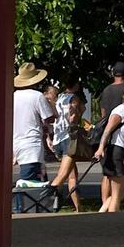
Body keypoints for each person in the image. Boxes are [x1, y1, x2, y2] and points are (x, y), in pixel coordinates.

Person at [12, 63, 55, 213]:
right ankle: (24, 210)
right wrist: (51, 105)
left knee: (35, 178)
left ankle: (30, 209)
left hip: (17, 141)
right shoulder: (37, 96)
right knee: (29, 181)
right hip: (32, 143)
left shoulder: (13, 96)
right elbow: (50, 118)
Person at [98, 62, 124, 208]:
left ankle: (104, 204)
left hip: (107, 139)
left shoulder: (106, 90)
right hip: (121, 137)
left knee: (107, 177)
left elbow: (102, 113)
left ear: (113, 74)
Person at [48, 78, 83, 211]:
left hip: (57, 139)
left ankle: (78, 207)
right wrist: (78, 113)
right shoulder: (73, 98)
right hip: (68, 138)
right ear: (75, 85)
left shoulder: (59, 98)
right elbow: (72, 117)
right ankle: (46, 200)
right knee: (64, 176)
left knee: (71, 175)